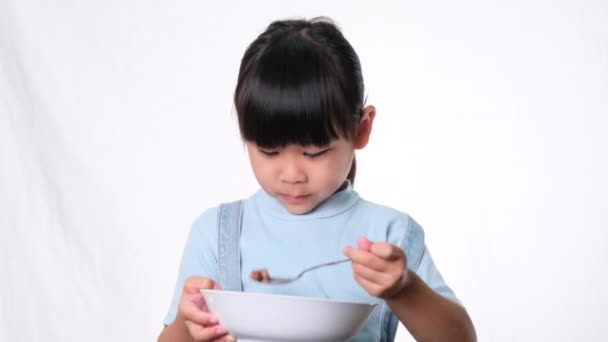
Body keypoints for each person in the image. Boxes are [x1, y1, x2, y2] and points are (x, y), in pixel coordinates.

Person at [158, 17, 476, 342]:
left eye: (315, 153)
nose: (292, 175)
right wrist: (188, 321)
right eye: (269, 151)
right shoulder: (219, 232)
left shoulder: (390, 235)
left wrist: (405, 289)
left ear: (361, 130)